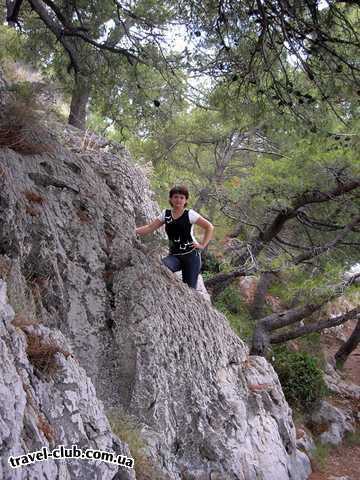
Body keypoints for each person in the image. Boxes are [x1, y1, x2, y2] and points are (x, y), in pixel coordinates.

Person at [135, 185, 214, 289]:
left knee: (189, 289)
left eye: (182, 198)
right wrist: (133, 231)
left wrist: (202, 245)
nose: (179, 200)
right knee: (161, 267)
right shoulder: (166, 214)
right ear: (171, 199)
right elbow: (150, 227)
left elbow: (209, 227)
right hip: (174, 256)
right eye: (176, 197)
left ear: (185, 200)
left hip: (191, 257)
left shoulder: (190, 214)